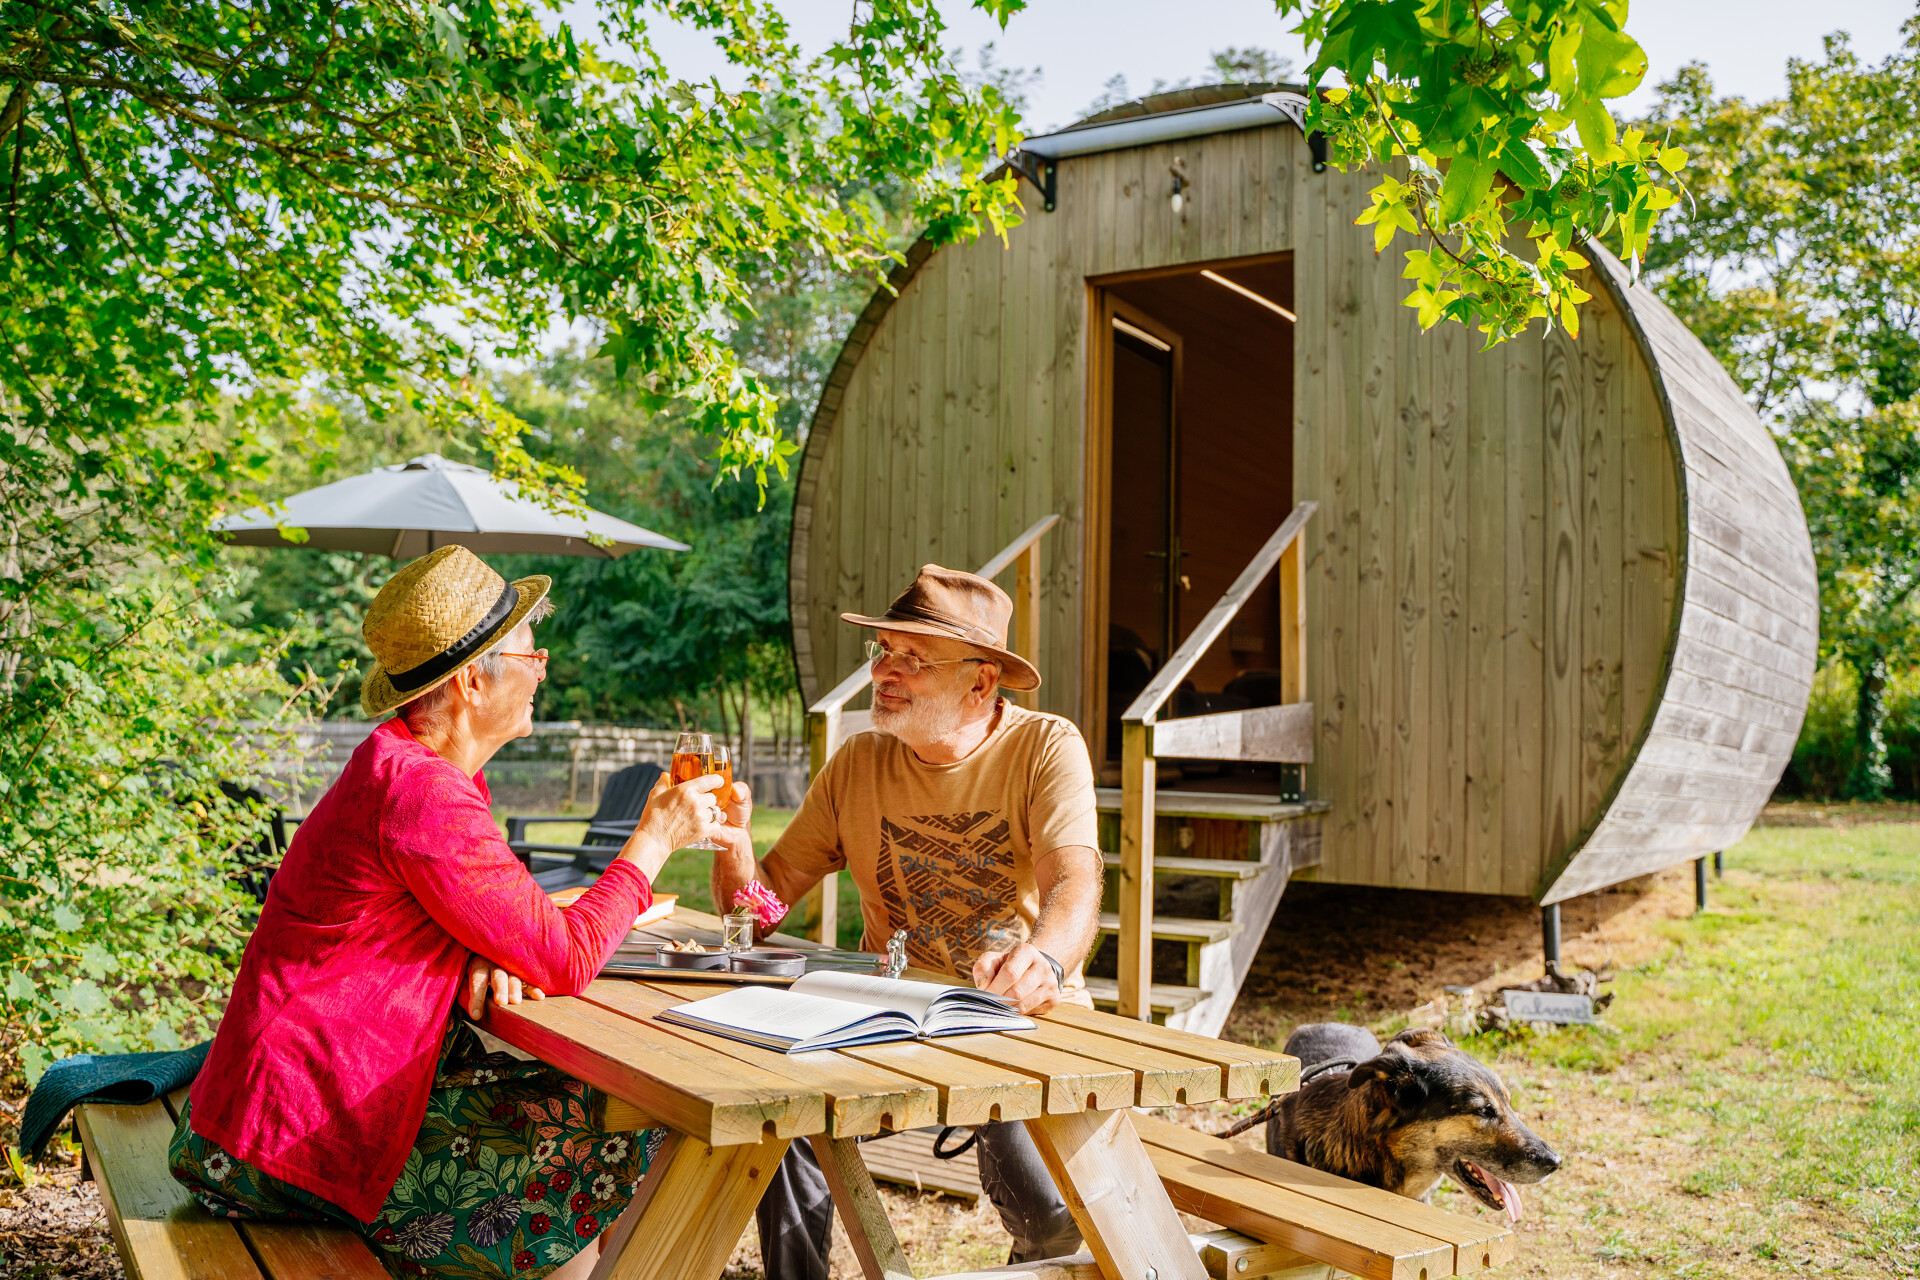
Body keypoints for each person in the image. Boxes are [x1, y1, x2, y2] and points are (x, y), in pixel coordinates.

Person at [168, 545, 731, 1280]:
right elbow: (566, 959)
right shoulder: (424, 792)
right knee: (642, 1120)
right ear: (472, 681)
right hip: (287, 1135)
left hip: (274, 1102)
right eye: (531, 657)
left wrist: (485, 947)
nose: (543, 671)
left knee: (598, 1115)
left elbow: (486, 919)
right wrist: (654, 838)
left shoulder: (410, 767)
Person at [711, 564, 1104, 1276]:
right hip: (890, 1016)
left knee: (1053, 1222)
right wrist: (735, 846)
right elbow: (760, 910)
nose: (883, 672)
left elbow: (1075, 881)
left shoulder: (1046, 746)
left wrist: (1045, 960)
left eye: (914, 659)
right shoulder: (857, 762)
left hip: (1017, 1020)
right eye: (884, 651)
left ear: (981, 683)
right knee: (779, 1113)